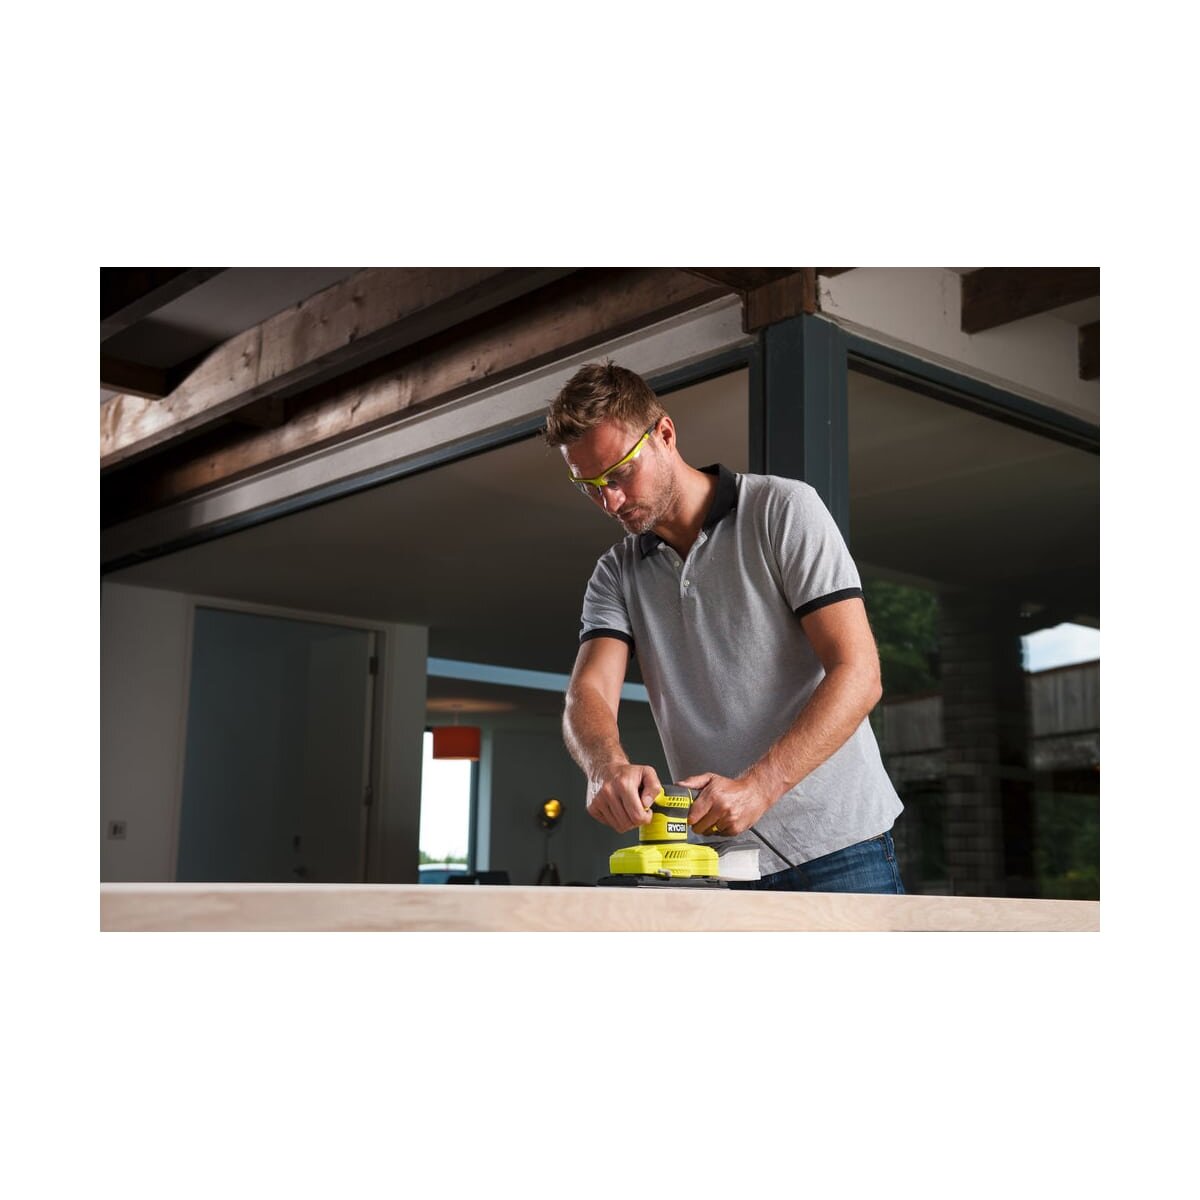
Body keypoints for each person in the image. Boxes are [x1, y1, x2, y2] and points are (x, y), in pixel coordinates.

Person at [543, 360, 905, 893]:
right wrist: (605, 767)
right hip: (720, 862)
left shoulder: (783, 510)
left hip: (841, 847)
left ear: (665, 434)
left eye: (619, 474)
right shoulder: (615, 573)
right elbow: (588, 693)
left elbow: (859, 673)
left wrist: (760, 787)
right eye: (590, 486)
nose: (610, 500)